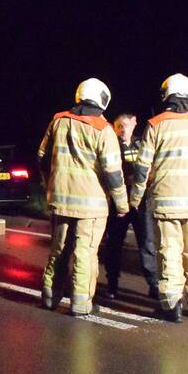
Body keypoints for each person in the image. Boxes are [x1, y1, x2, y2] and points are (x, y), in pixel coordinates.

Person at [129, 73, 188, 321]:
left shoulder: (155, 124)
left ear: (166, 95)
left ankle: (171, 306)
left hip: (164, 204)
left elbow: (141, 169)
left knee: (169, 252)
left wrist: (134, 199)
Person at [37, 78, 128, 316]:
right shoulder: (103, 129)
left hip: (60, 200)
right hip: (92, 206)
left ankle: (49, 297)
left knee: (58, 250)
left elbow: (43, 157)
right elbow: (113, 172)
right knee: (84, 253)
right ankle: (80, 303)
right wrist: (121, 204)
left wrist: (50, 186)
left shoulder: (58, 121)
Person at [102, 112, 159, 299]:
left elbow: (152, 168)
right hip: (119, 203)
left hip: (141, 203)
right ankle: (112, 284)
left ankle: (153, 284)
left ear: (133, 125)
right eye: (118, 126)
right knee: (114, 244)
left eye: (125, 125)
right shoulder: (111, 146)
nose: (122, 129)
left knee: (147, 243)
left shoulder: (141, 144)